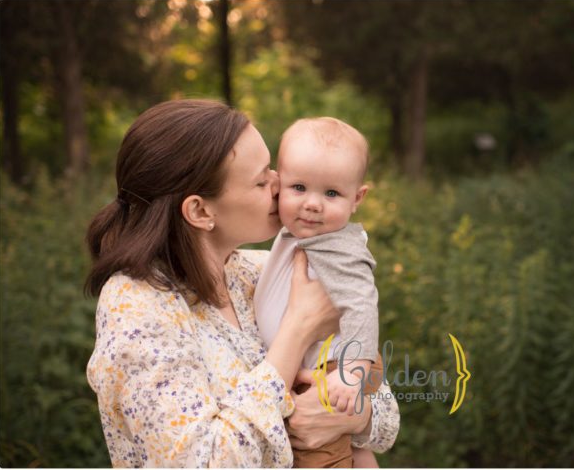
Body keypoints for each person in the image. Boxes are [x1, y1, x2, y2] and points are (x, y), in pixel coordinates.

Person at [84, 99, 399, 467]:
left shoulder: (261, 270)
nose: (280, 183)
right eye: (261, 178)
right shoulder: (137, 307)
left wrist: (354, 416)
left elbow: (387, 417)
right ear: (201, 211)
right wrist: (297, 330)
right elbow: (202, 461)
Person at [254, 117, 382, 468]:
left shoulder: (338, 247)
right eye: (298, 188)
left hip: (335, 365)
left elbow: (361, 304)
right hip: (319, 361)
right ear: (278, 184)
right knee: (352, 449)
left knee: (320, 456)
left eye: (331, 193)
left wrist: (352, 372)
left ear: (357, 198)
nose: (313, 204)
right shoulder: (297, 234)